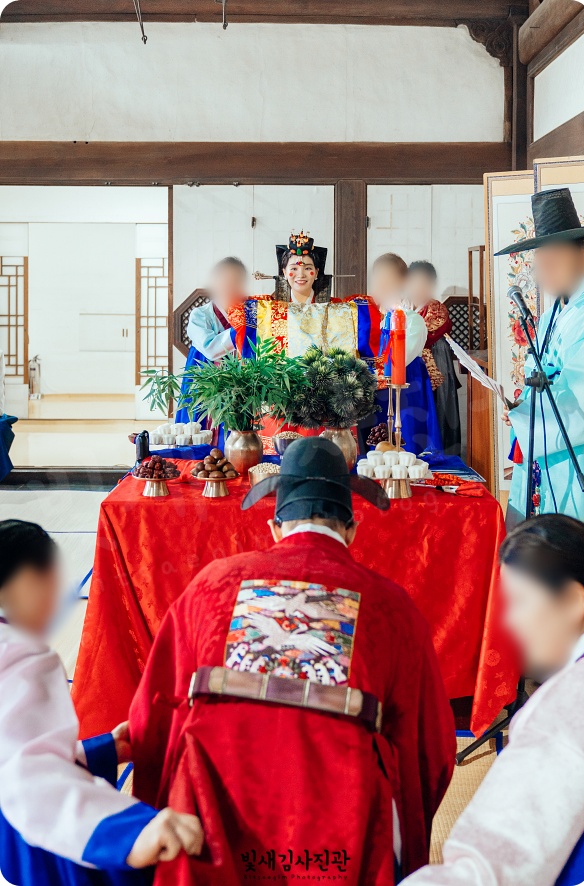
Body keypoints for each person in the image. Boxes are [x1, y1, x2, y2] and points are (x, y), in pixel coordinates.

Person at [129, 437, 456, 885]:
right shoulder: (392, 608)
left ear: (274, 527)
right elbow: (430, 749)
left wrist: (155, 813)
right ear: (351, 530)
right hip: (342, 834)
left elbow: (152, 713)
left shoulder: (212, 585)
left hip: (213, 819)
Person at [0, 519, 204, 886]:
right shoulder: (22, 658)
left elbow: (11, 750)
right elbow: (27, 777)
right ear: (28, 581)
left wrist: (102, 750)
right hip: (45, 829)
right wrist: (130, 831)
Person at [405, 513, 584, 886]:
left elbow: (489, 869)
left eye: (519, 601)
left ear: (572, 601)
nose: (508, 621)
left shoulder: (569, 704)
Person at [499, 189, 584, 526]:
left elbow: (583, 397)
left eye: (554, 260)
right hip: (547, 452)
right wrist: (520, 409)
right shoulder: (556, 310)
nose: (544, 271)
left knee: (567, 541)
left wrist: (526, 417)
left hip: (578, 456)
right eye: (541, 262)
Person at [361, 253, 442, 455]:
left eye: (389, 280)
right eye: (379, 280)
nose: (382, 286)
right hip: (374, 396)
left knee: (407, 446)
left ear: (403, 283)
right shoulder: (368, 319)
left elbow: (399, 359)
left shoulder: (413, 321)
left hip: (406, 393)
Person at [176, 256, 248, 430]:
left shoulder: (247, 312)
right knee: (200, 431)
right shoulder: (200, 315)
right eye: (225, 280)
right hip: (205, 385)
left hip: (237, 386)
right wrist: (242, 329)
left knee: (237, 433)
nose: (230, 286)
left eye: (236, 281)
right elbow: (210, 348)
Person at [406, 261, 461, 456]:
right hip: (411, 367)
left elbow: (422, 335)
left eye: (424, 282)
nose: (419, 287)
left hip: (437, 362)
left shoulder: (437, 309)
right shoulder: (404, 307)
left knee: (438, 409)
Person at [274, 231, 333, 304]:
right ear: (285, 272)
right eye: (294, 268)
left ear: (316, 272)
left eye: (307, 268)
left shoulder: (334, 306)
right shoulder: (268, 306)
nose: (301, 275)